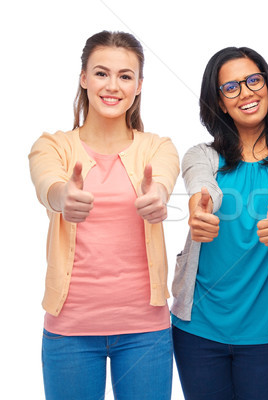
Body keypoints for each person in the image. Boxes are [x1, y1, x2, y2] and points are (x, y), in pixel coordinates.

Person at [28, 31, 180, 400]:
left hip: (146, 332)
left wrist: (157, 198)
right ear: (83, 78)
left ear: (139, 86)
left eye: (125, 76)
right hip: (70, 332)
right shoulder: (53, 145)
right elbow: (48, 183)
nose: (113, 86)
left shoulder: (157, 147)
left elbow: (162, 182)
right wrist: (63, 196)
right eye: (101, 73)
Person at [170, 46, 268, 400]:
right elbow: (201, 186)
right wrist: (200, 210)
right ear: (220, 102)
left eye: (254, 80)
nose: (247, 92)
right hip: (197, 330)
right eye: (231, 87)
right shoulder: (201, 155)